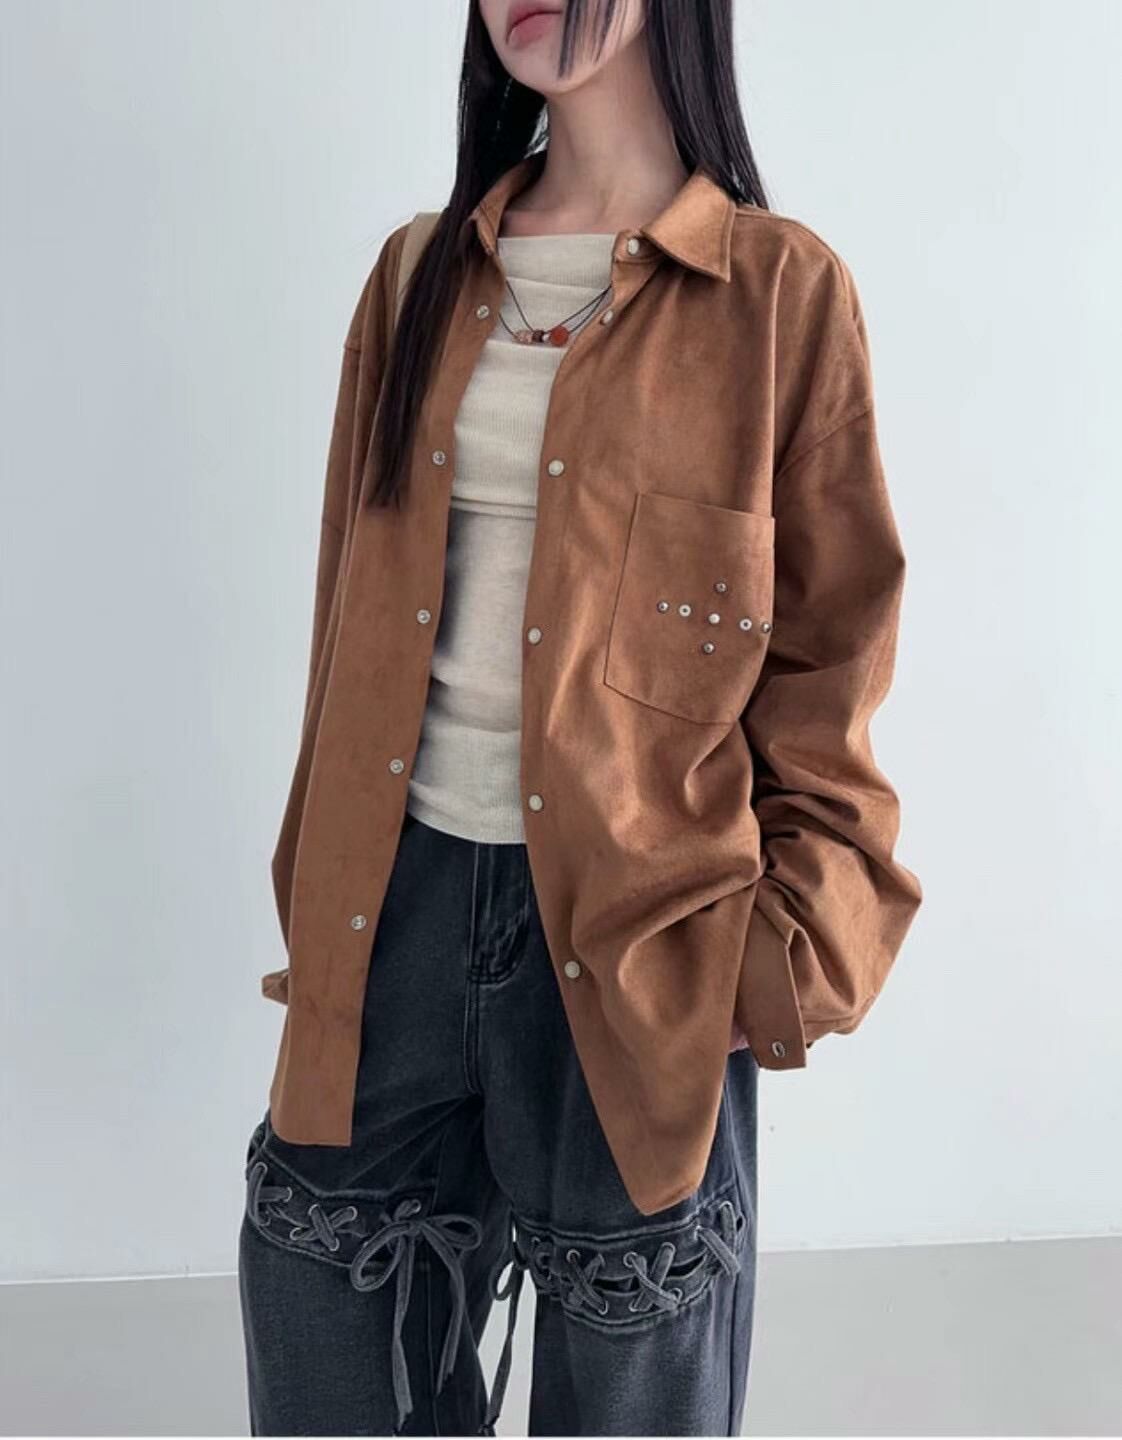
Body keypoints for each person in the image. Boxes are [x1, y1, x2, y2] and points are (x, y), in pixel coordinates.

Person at [236, 0, 923, 1434]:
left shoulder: (776, 293)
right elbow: (341, 628)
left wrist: (780, 958)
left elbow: (831, 661)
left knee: (631, 1394)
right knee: (324, 1352)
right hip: (393, 914)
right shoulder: (415, 276)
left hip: (641, 935)